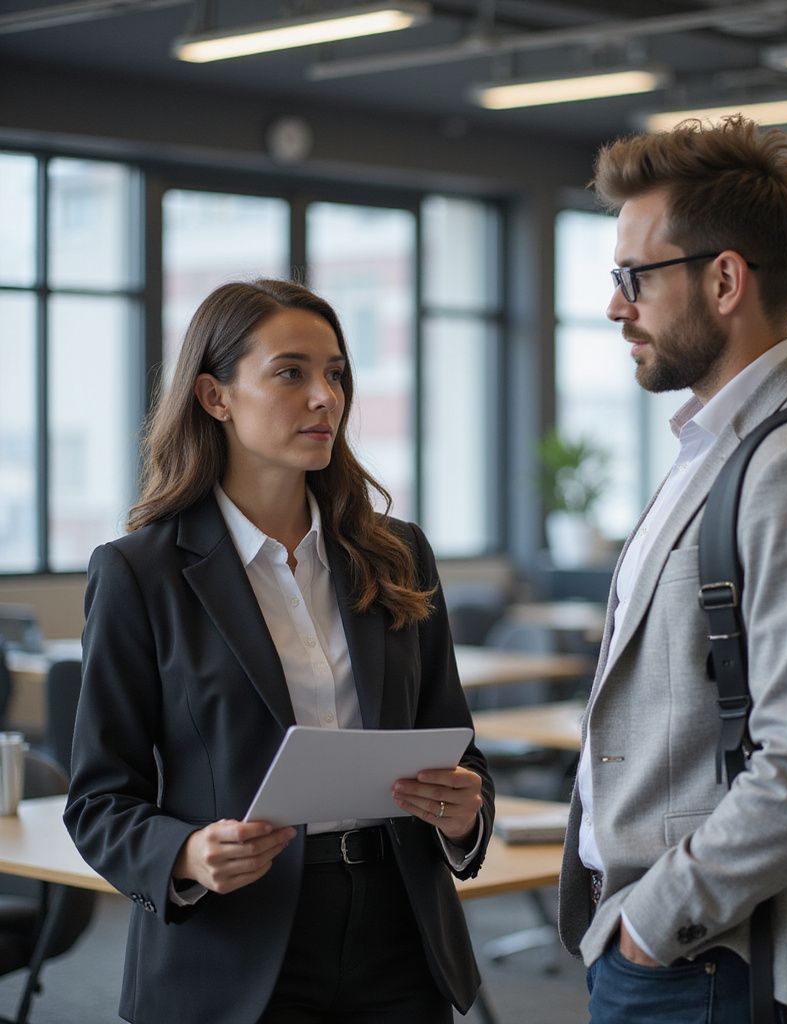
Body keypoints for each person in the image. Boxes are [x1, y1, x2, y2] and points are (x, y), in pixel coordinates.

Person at [64, 279, 495, 1024]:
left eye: (336, 374)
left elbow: (456, 745)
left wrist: (463, 813)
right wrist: (188, 854)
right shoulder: (141, 572)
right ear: (215, 396)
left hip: (398, 935)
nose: (325, 397)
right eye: (291, 373)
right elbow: (100, 798)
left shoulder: (397, 555)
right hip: (233, 946)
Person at [557, 117, 787, 1023]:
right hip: (687, 955)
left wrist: (653, 924)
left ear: (724, 279)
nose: (615, 306)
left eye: (635, 277)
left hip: (721, 960)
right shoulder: (719, 449)